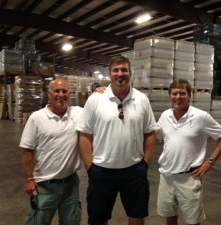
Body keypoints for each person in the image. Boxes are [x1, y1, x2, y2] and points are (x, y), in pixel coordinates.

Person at [76, 55, 156, 225]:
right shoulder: (96, 99)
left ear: (130, 73)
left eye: (124, 70)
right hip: (101, 171)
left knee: (137, 215)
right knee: (98, 218)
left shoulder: (142, 99)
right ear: (109, 74)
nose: (120, 74)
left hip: (134, 171)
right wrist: (90, 167)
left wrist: (145, 164)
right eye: (116, 70)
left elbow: (150, 133)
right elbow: (84, 135)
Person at [155, 79, 221, 225]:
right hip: (166, 176)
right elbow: (153, 132)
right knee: (169, 216)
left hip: (188, 178)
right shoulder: (165, 115)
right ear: (170, 95)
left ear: (189, 95)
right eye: (174, 93)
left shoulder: (201, 117)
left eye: (182, 93)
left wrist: (210, 162)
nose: (178, 97)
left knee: (193, 220)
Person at [20, 78, 82, 225]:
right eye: (56, 91)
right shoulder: (37, 118)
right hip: (45, 186)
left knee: (72, 222)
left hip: (70, 185)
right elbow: (27, 150)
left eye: (64, 91)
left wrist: (100, 91)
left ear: (70, 93)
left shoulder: (78, 113)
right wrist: (29, 179)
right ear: (49, 94)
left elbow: (96, 106)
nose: (61, 95)